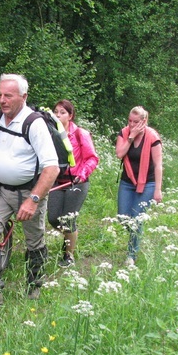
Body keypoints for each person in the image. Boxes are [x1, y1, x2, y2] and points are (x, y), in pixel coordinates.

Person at [0, 74, 59, 300]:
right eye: (0, 95)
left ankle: (34, 288)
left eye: (8, 96)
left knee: (34, 242)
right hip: (0, 191)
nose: (2, 100)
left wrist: (33, 200)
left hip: (29, 192)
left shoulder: (34, 123)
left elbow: (52, 168)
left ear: (24, 97)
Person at [47, 100, 99, 267]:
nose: (57, 115)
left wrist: (82, 174)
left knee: (68, 220)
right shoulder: (51, 134)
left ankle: (68, 255)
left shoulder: (80, 134)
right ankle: (71, 235)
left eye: (62, 112)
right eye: (55, 112)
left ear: (70, 116)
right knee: (54, 218)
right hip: (57, 181)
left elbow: (92, 158)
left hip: (77, 181)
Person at [115, 106, 163, 266]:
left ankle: (132, 254)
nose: (132, 124)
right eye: (129, 121)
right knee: (123, 217)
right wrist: (131, 137)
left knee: (136, 219)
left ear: (144, 121)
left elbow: (158, 165)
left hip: (148, 183)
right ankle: (136, 236)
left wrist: (158, 190)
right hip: (127, 182)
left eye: (136, 122)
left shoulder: (153, 137)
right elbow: (120, 153)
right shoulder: (124, 133)